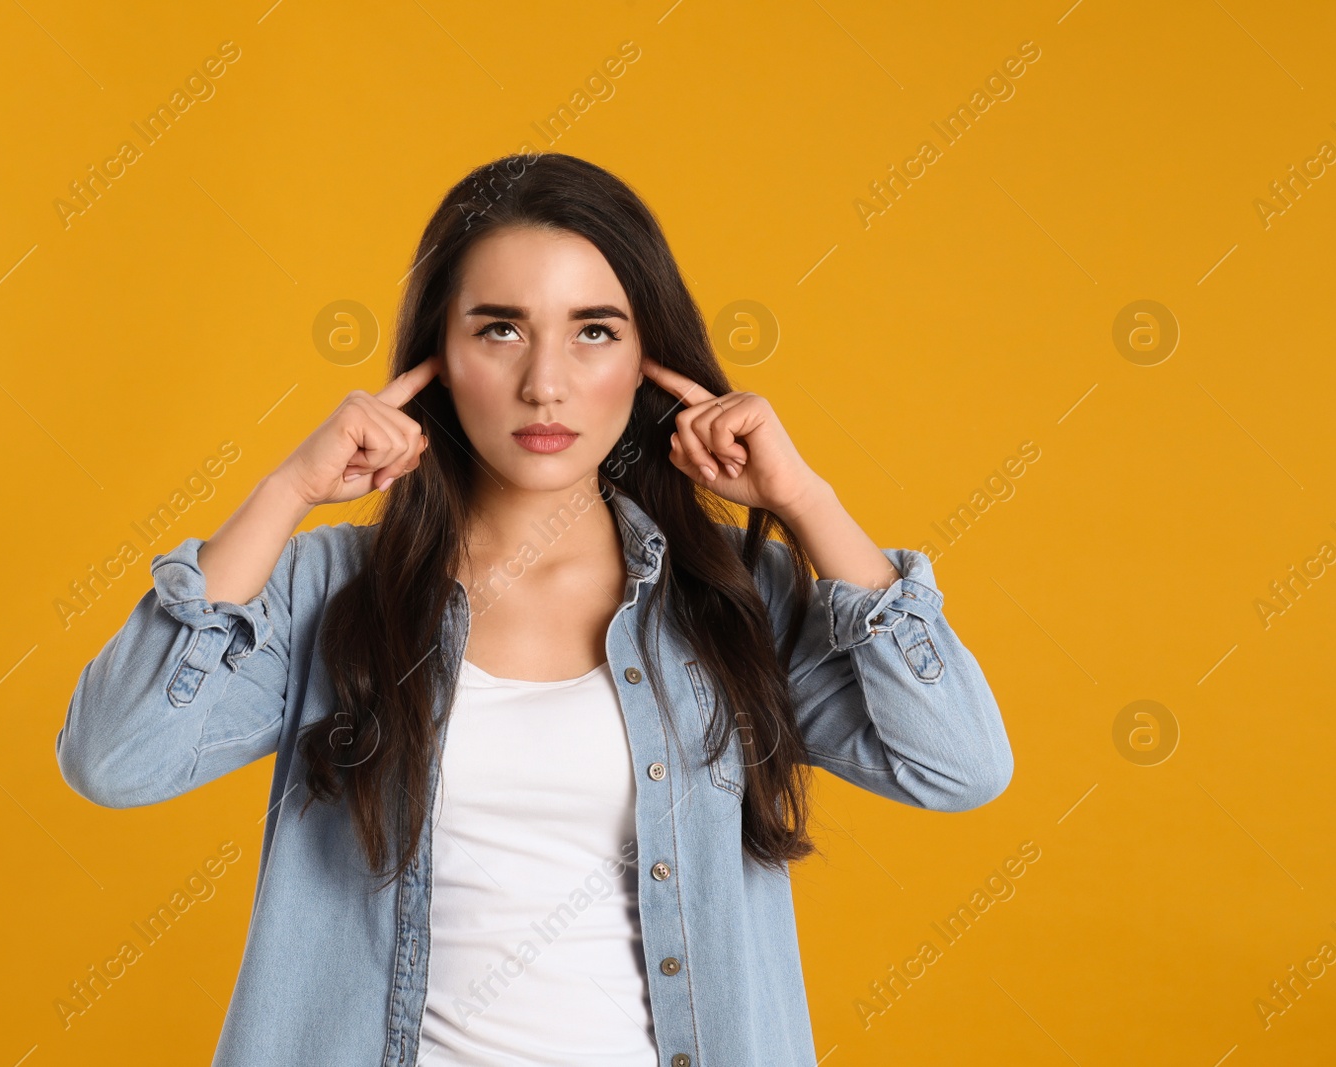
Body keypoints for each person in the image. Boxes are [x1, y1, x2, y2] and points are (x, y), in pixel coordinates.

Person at [55, 152, 1015, 1067]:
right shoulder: (328, 592)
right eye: (500, 328)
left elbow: (959, 765)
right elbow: (114, 758)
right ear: (438, 355)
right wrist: (284, 492)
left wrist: (806, 502)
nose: (544, 381)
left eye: (594, 329)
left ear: (650, 362)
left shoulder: (731, 600)